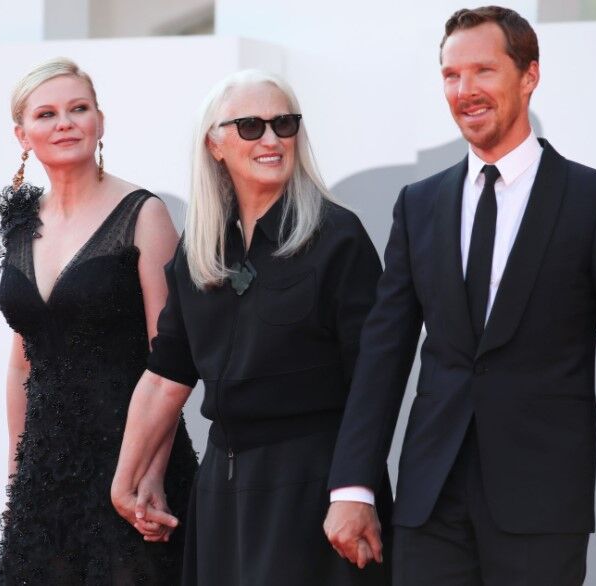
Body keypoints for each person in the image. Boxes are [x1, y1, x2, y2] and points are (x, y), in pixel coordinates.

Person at [324, 6, 596, 584]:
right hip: (430, 500)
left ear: (529, 75)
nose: (465, 91)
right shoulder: (419, 204)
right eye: (451, 75)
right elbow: (383, 353)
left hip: (542, 502)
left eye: (483, 71)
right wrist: (353, 485)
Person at [111, 69, 392, 585]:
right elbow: (166, 374)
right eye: (250, 126)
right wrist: (129, 478)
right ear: (214, 144)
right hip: (223, 493)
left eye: (284, 124)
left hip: (315, 487)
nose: (271, 139)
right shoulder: (200, 250)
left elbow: (373, 383)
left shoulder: (338, 237)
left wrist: (355, 491)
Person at [0, 58, 197, 585]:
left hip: (132, 464)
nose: (65, 123)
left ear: (99, 122)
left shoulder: (143, 214)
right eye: (47, 114)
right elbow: (21, 364)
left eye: (78, 109)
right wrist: (17, 479)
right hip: (46, 476)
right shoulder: (20, 224)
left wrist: (149, 472)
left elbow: (171, 360)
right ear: (23, 135)